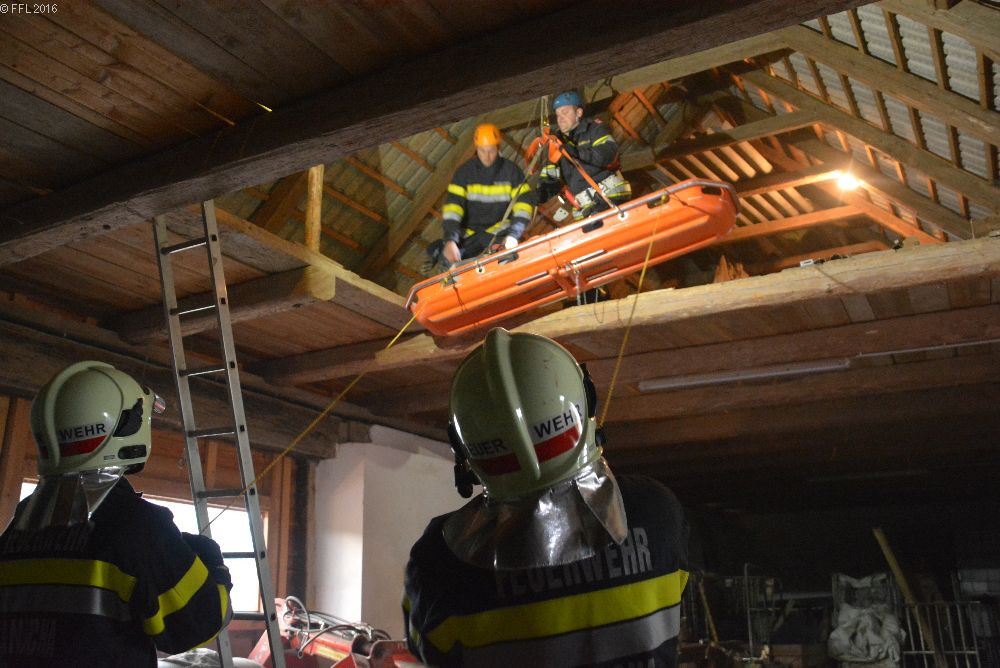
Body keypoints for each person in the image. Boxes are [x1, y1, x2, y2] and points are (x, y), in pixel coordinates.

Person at [402, 328, 689, 667]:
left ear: (463, 445)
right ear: (586, 403)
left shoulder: (437, 562)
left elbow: (427, 650)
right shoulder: (656, 511)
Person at [0, 361, 234, 668]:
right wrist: (214, 565)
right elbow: (196, 624)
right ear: (126, 426)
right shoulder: (137, 525)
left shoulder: (21, 525)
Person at [432, 123, 535, 268]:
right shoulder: (464, 173)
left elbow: (523, 206)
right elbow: (453, 209)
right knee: (449, 265)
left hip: (499, 234)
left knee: (511, 263)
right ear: (476, 148)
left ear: (498, 147)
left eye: (491, 150)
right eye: (482, 151)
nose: (487, 156)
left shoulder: (512, 172)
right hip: (468, 236)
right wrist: (451, 240)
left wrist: (513, 235)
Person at [540, 90, 632, 220]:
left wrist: (577, 153)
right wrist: (541, 192)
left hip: (610, 198)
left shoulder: (594, 129)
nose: (560, 118)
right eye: (558, 114)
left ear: (579, 112)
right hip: (585, 209)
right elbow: (550, 177)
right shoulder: (556, 144)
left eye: (565, 112)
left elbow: (608, 153)